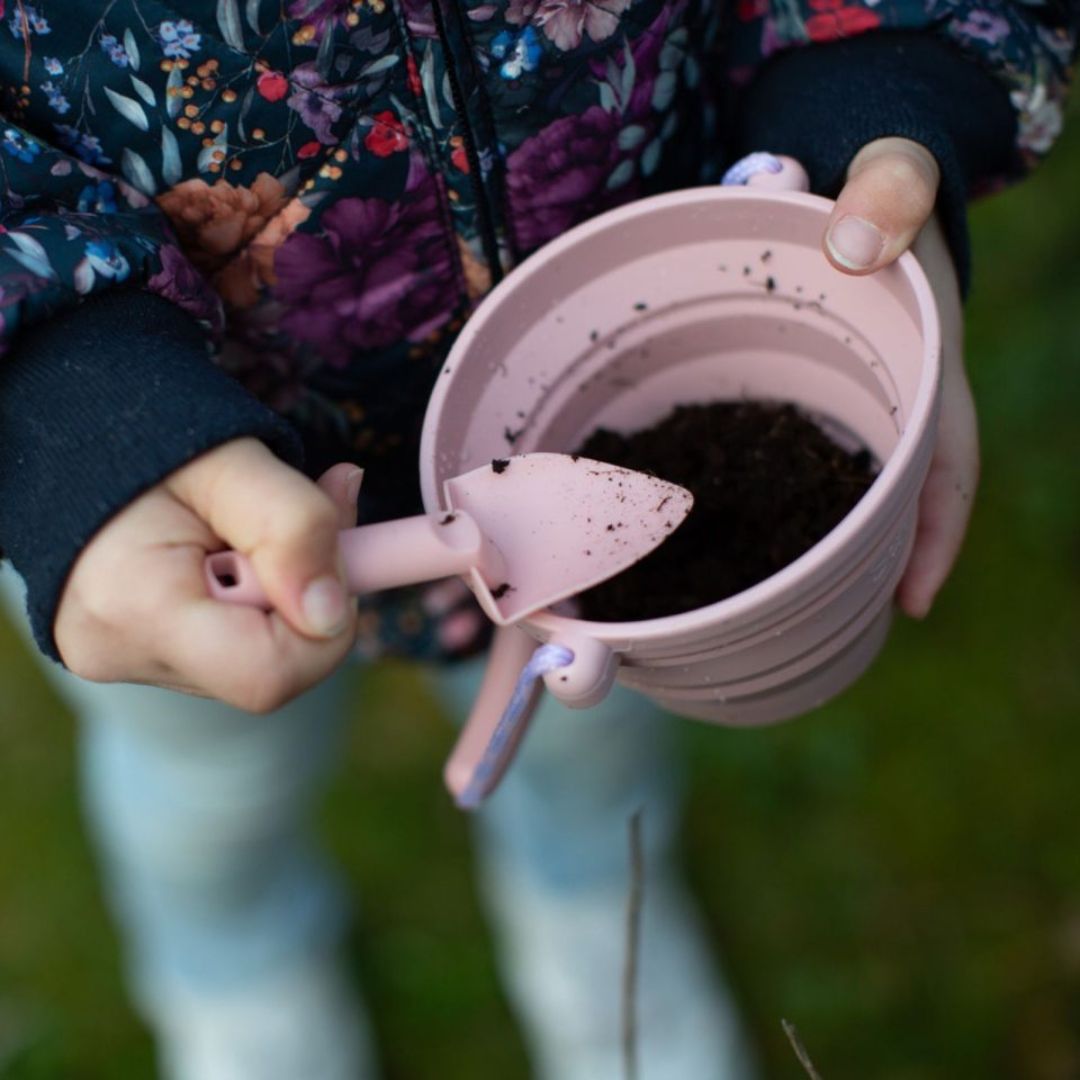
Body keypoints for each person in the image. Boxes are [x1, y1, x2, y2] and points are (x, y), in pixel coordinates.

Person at [0, 2, 1075, 1077]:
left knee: (588, 743)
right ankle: (234, 965)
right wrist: (74, 418)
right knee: (210, 784)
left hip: (619, 370)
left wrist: (873, 97)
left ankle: (597, 913)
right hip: (170, 495)